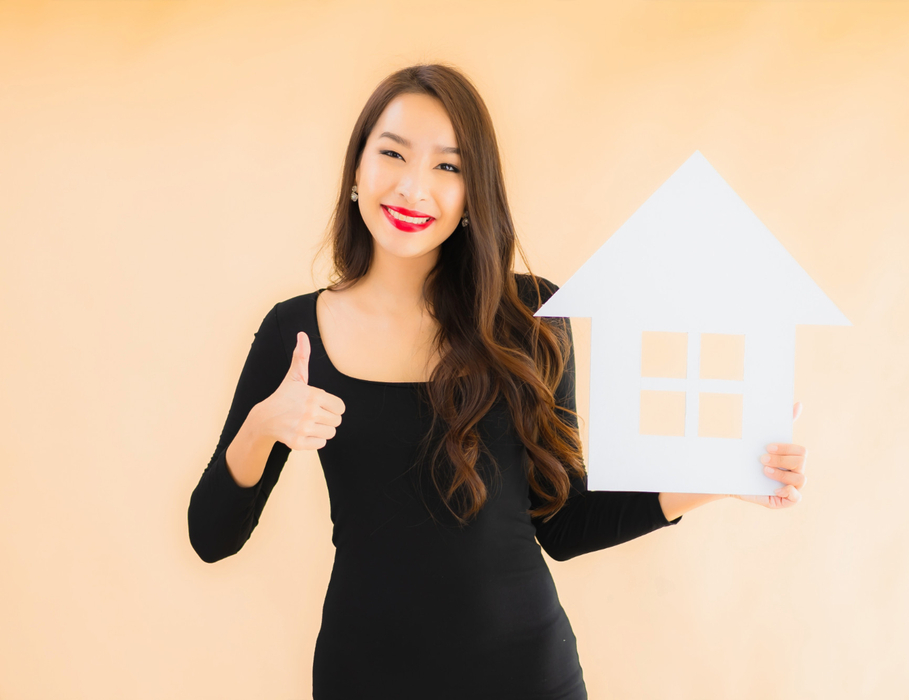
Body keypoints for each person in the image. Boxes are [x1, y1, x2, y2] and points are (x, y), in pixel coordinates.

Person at [187, 63, 808, 700]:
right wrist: (263, 426)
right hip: (363, 678)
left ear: (472, 194)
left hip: (527, 678)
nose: (413, 187)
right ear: (356, 171)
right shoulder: (296, 332)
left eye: (447, 167)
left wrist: (718, 476)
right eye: (392, 154)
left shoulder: (531, 319)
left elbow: (562, 524)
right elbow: (210, 537)